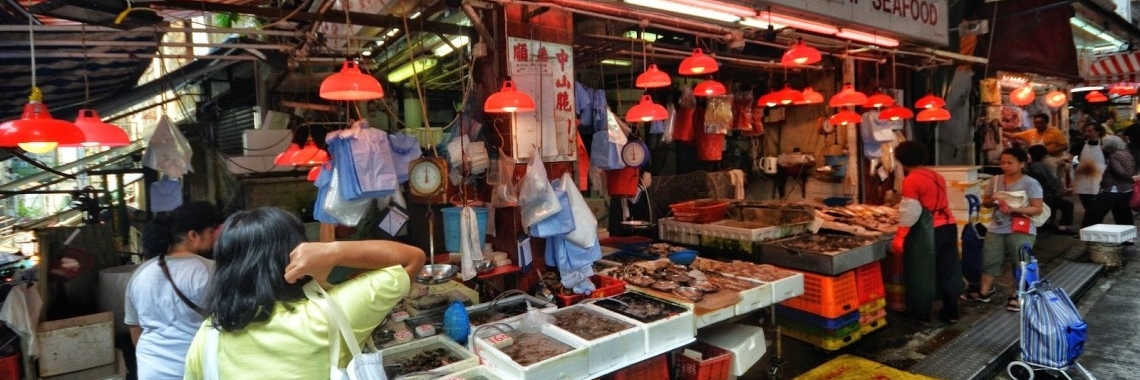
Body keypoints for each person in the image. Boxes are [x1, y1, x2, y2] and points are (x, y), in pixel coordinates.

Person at [182, 207, 425, 379]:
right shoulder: (326, 316)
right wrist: (333, 251)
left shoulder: (208, 336)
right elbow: (412, 259)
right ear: (297, 255)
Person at [123, 201, 223, 380]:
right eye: (209, 232)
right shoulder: (210, 270)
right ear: (193, 235)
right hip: (194, 369)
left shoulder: (140, 273)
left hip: (150, 369)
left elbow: (135, 329)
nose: (213, 238)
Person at [965, 148, 1044, 313]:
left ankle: (1017, 293)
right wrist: (992, 200)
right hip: (997, 226)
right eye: (1002, 162)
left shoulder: (1030, 183)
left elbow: (1037, 209)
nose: (1005, 166)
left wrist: (1014, 209)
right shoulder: (995, 181)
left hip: (1021, 227)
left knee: (1020, 260)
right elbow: (985, 202)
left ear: (1022, 164)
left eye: (1010, 163)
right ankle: (985, 290)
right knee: (989, 259)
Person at [890, 141, 962, 323]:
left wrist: (900, 237)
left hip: (929, 231)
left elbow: (910, 211)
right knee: (948, 269)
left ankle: (920, 314)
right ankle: (951, 312)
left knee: (921, 272)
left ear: (900, 160)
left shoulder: (911, 180)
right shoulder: (936, 175)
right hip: (949, 225)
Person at [1081, 135, 1136, 227]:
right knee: (1123, 213)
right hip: (1126, 189)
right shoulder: (1126, 153)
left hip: (1114, 189)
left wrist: (1131, 179)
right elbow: (1132, 168)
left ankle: (1088, 230)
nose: (1102, 146)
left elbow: (1119, 171)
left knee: (1094, 211)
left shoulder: (1114, 155)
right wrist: (1131, 179)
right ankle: (1128, 237)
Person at [1003, 113, 1070, 183]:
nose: (1038, 125)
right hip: (1036, 162)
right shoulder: (1031, 132)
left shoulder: (1056, 132)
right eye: (1036, 123)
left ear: (1046, 122)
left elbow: (1064, 146)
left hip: (1052, 161)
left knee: (1053, 180)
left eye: (1040, 123)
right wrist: (999, 129)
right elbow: (1012, 135)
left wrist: (1047, 152)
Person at [1026, 145, 1075, 234]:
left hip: (1041, 194)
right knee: (1068, 205)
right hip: (1045, 195)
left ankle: (1049, 223)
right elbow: (1049, 180)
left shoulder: (1033, 165)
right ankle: (1062, 228)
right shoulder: (1040, 165)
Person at [1074, 123, 1107, 213]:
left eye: (1090, 131)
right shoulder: (1080, 144)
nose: (1087, 133)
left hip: (1100, 179)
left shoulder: (1104, 145)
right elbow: (1069, 157)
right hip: (1082, 179)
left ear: (1097, 132)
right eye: (1086, 131)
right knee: (1087, 203)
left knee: (1097, 204)